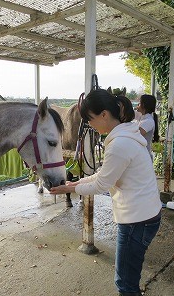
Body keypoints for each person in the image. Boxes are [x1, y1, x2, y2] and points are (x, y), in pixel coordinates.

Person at [49, 88, 162, 296]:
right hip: (145, 215)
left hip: (137, 221)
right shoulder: (128, 134)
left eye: (90, 119)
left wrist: (69, 188)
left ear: (104, 114)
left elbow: (101, 185)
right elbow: (104, 176)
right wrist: (74, 184)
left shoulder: (119, 144)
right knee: (128, 279)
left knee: (125, 284)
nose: (89, 125)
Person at [134, 94, 159, 159]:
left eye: (139, 103)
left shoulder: (148, 121)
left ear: (143, 105)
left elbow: (135, 135)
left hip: (144, 157)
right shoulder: (142, 116)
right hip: (140, 156)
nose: (137, 106)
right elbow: (129, 114)